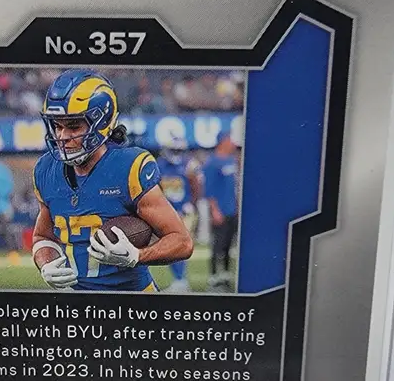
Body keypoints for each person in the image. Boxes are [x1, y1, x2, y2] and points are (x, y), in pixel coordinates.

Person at [31, 70, 193, 292]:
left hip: (133, 301)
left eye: (74, 126)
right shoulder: (46, 170)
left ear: (102, 122)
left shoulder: (128, 168)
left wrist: (137, 255)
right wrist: (46, 264)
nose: (62, 136)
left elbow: (182, 242)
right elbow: (42, 236)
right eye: (57, 126)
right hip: (79, 303)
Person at [156, 124, 202, 293]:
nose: (176, 153)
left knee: (179, 245)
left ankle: (181, 280)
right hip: (167, 211)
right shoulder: (158, 165)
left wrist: (192, 203)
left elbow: (196, 186)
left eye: (179, 150)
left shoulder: (189, 164)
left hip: (185, 210)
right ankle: (180, 279)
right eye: (174, 150)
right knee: (170, 246)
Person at [203, 129, 241, 291]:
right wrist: (214, 210)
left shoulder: (231, 160)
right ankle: (213, 276)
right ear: (223, 141)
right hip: (220, 210)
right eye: (230, 139)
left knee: (228, 244)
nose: (232, 143)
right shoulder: (212, 162)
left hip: (232, 209)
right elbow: (209, 189)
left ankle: (224, 275)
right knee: (217, 244)